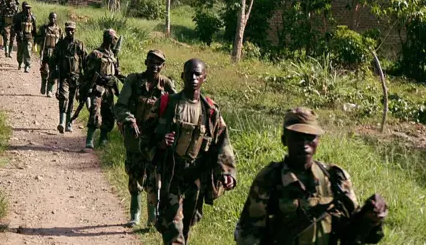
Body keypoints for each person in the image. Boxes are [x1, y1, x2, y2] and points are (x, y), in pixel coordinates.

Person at [234, 107, 389, 245]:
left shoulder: (335, 177)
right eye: (297, 137)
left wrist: (371, 217)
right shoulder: (270, 179)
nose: (304, 144)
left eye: (310, 137)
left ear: (318, 141)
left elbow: (352, 232)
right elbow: (248, 233)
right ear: (284, 140)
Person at [141, 58, 237, 245]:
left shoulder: (210, 111)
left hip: (196, 180)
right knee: (174, 231)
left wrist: (227, 172)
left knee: (186, 227)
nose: (193, 78)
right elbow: (144, 137)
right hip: (171, 178)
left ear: (204, 78)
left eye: (197, 74)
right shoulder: (167, 104)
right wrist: (160, 144)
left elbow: (222, 143)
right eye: (190, 74)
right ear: (182, 76)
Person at [114, 50, 176, 227]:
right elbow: (120, 106)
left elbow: (177, 105)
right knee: (134, 174)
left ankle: (152, 217)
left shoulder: (166, 85)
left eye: (159, 63)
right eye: (151, 62)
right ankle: (135, 213)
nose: (154, 66)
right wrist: (129, 120)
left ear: (163, 66)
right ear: (145, 62)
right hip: (135, 137)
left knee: (154, 177)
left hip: (155, 140)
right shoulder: (133, 80)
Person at [82, 29, 122, 148]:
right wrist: (86, 88)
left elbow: (117, 72)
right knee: (95, 111)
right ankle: (89, 139)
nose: (115, 41)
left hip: (109, 89)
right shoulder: (95, 54)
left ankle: (103, 138)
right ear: (108, 39)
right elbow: (87, 72)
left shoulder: (113, 55)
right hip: (98, 88)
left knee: (109, 113)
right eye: (114, 38)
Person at [52, 21, 87, 133]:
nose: (70, 32)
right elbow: (53, 59)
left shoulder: (79, 45)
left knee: (71, 100)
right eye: (68, 30)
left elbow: (86, 61)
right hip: (64, 77)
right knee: (63, 98)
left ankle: (69, 123)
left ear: (75, 30)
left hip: (76, 77)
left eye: (72, 30)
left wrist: (86, 77)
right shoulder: (60, 44)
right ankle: (61, 122)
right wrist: (53, 72)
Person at [38, 12, 63, 96]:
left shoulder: (59, 30)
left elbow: (62, 42)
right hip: (46, 52)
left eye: (54, 18)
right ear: (49, 18)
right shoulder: (44, 28)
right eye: (51, 18)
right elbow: (38, 38)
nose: (52, 19)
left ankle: (50, 89)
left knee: (53, 72)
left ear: (56, 19)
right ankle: (43, 84)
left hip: (55, 54)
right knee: (45, 70)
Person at [13, 1, 37, 72]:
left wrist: (35, 40)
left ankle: (27, 65)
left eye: (29, 8)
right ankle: (20, 63)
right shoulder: (18, 16)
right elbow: (14, 27)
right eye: (26, 8)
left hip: (29, 37)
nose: (27, 10)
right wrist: (18, 32)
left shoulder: (32, 18)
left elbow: (34, 29)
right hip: (20, 38)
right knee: (20, 52)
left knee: (27, 52)